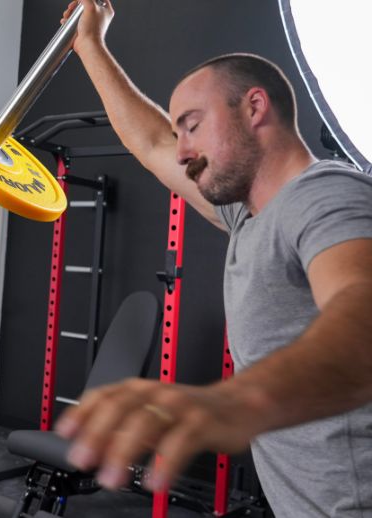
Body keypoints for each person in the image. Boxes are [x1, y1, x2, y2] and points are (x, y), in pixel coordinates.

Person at [53, 1, 372, 515]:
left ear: (254, 108)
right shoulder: (248, 215)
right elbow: (153, 142)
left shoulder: (326, 196)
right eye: (180, 132)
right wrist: (90, 45)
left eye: (193, 125)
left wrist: (234, 401)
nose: (182, 149)